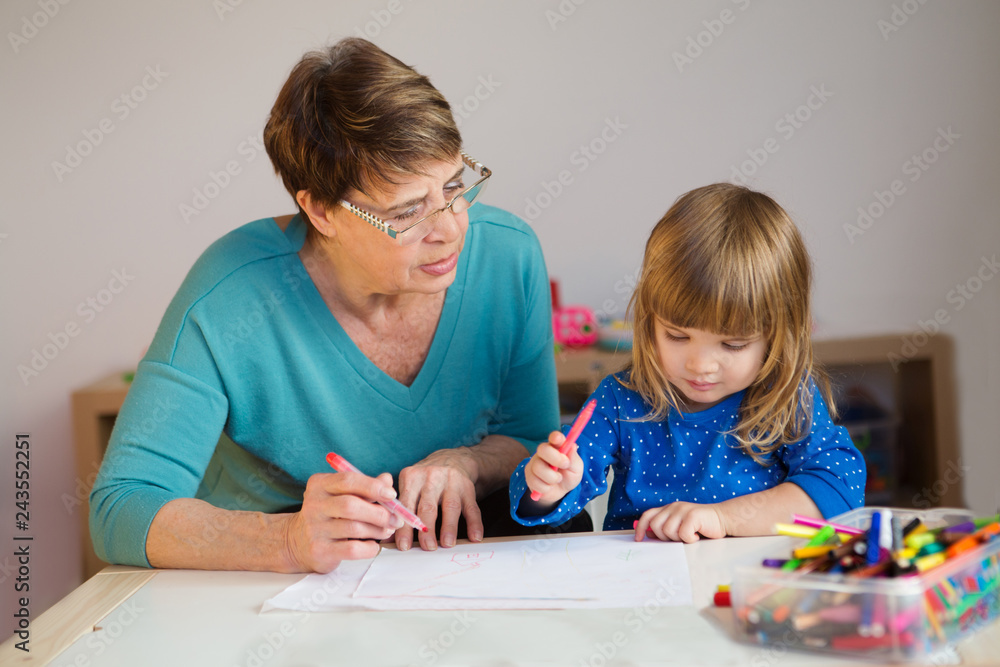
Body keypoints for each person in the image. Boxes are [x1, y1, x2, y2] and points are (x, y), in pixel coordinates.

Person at [90, 37, 580, 574]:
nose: (450, 228)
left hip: (442, 566)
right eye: (408, 212)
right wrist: (285, 540)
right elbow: (121, 507)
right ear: (321, 210)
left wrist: (467, 462)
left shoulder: (508, 255)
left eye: (455, 186)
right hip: (278, 583)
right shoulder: (230, 294)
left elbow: (530, 439)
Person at [509, 183, 866, 542]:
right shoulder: (621, 398)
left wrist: (723, 519)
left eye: (733, 344)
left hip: (750, 582)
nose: (700, 365)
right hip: (644, 583)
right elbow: (544, 505)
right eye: (678, 336)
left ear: (777, 336)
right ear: (650, 320)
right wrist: (547, 487)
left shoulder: (786, 395)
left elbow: (839, 488)